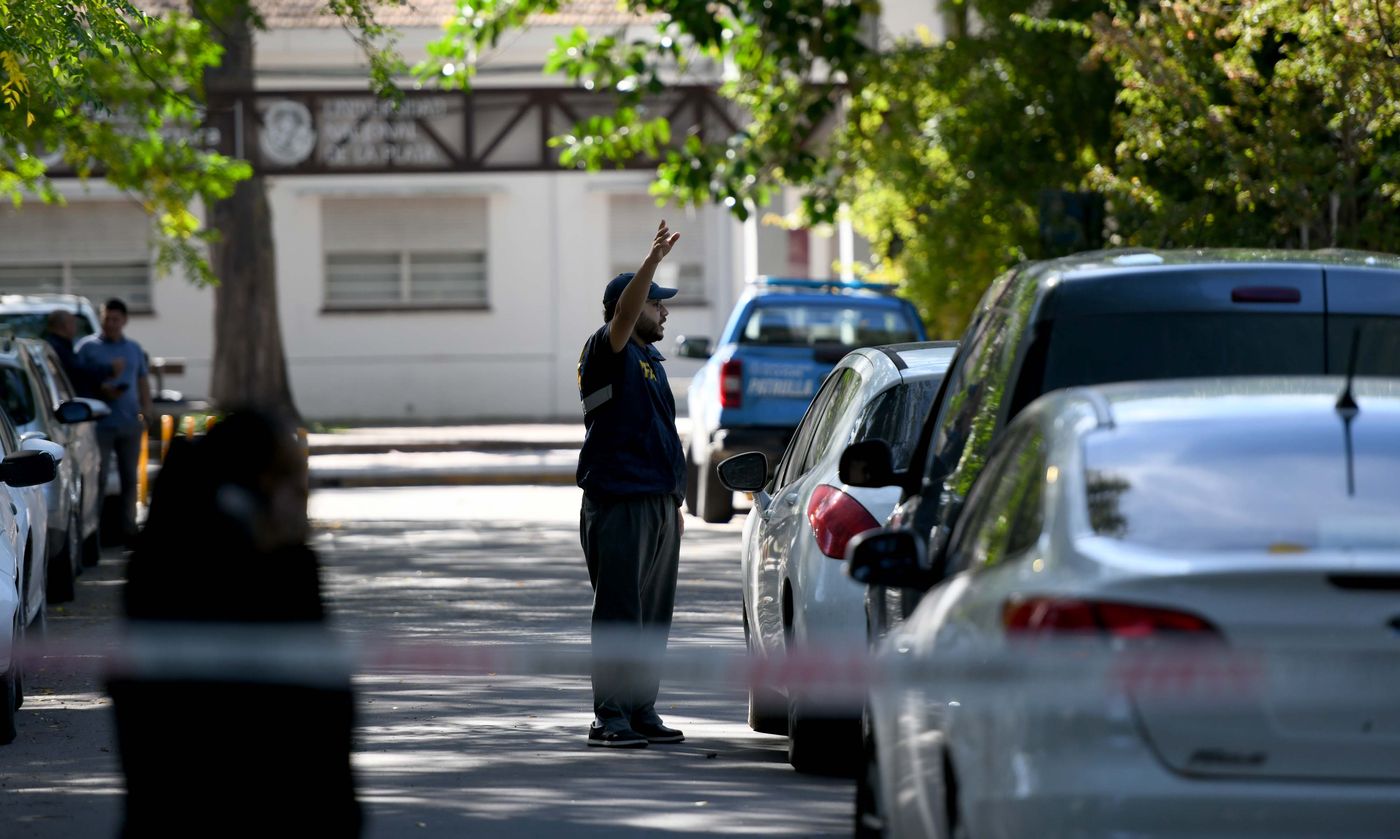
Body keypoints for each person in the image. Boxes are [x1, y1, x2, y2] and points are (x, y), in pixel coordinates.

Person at [109, 408, 361, 837]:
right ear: (265, 481)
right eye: (296, 481)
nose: (304, 496)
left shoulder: (160, 558)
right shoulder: (276, 568)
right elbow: (318, 713)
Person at [575, 219, 687, 749]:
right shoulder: (608, 348)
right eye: (655, 301)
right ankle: (610, 716)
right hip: (619, 502)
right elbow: (624, 316)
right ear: (629, 305)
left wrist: (675, 499)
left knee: (652, 616)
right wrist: (652, 262)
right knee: (620, 612)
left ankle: (641, 709)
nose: (663, 309)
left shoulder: (651, 359)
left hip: (659, 502)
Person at [76, 298, 151, 547]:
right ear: (101, 318)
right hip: (99, 424)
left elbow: (142, 380)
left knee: (130, 478)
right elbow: (78, 380)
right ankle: (92, 534)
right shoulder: (87, 347)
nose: (111, 323)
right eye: (107, 318)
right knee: (97, 478)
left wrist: (146, 408)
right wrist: (101, 388)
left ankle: (128, 530)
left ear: (125, 321)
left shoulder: (134, 349)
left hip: (129, 421)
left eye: (116, 319)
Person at [41, 309, 121, 397]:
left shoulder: (57, 345)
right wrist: (108, 369)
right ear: (66, 325)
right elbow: (77, 373)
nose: (76, 327)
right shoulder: (57, 348)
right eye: (73, 323)